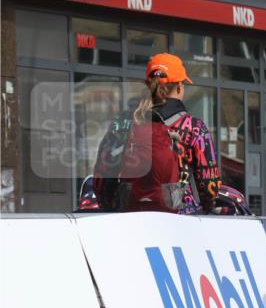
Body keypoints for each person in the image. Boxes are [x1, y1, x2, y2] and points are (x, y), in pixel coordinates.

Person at [93, 53, 220, 214]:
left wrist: (114, 207)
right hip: (178, 219)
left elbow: (102, 175)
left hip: (129, 216)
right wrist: (204, 209)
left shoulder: (123, 123)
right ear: (180, 86)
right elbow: (210, 186)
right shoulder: (194, 127)